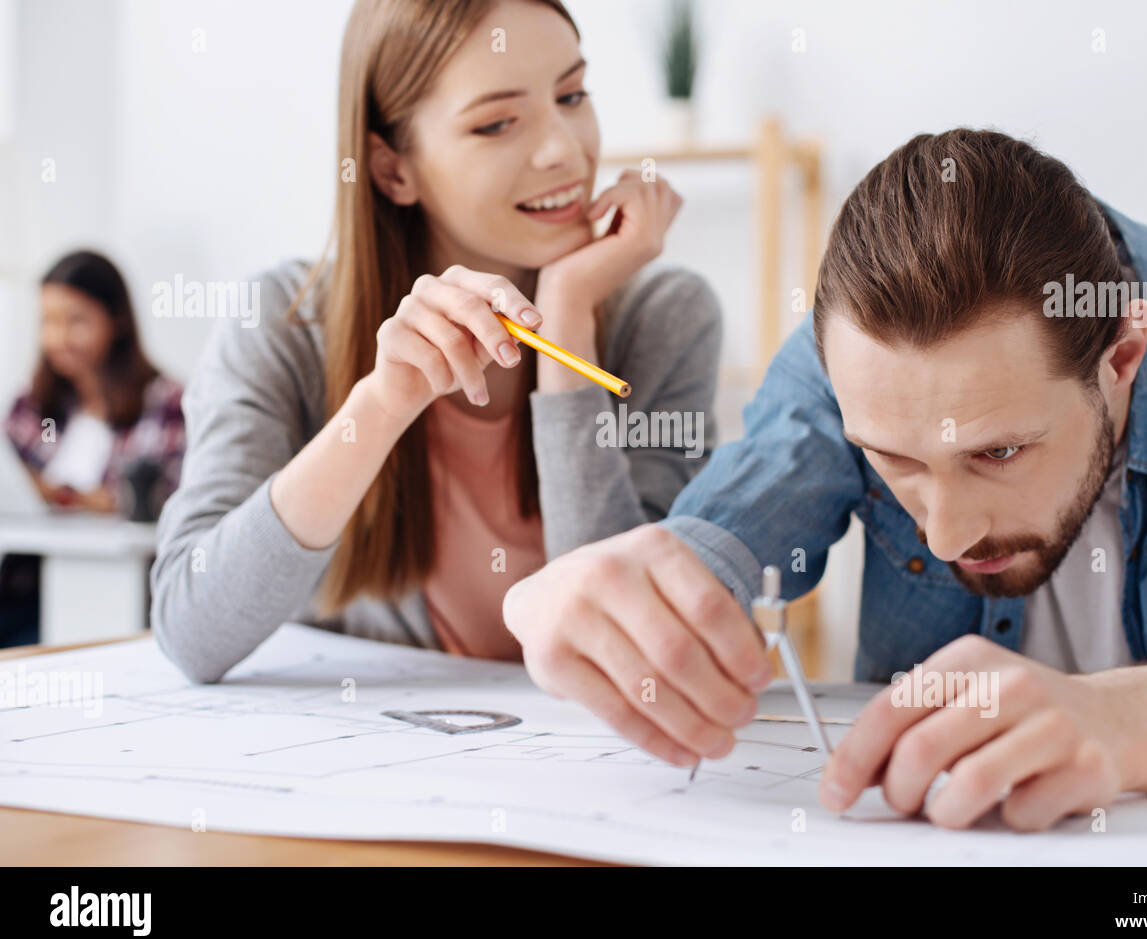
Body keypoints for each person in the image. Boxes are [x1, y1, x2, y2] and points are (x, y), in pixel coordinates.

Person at [502, 128, 1147, 832]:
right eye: (899, 463)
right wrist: (579, 602)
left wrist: (1131, 721)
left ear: (1122, 355)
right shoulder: (859, 371)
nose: (946, 535)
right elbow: (702, 554)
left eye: (1000, 452)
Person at [150, 0, 722, 681]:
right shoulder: (281, 323)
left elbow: (627, 636)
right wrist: (383, 404)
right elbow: (191, 630)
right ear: (393, 170)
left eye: (571, 94)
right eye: (497, 123)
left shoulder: (664, 317)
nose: (565, 150)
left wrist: (568, 312)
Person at [1, 249, 185, 646]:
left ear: (116, 320)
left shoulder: (166, 404)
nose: (58, 338)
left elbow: (174, 502)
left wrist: (73, 498)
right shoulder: (36, 407)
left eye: (77, 321)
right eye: (48, 322)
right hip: (26, 590)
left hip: (121, 599)